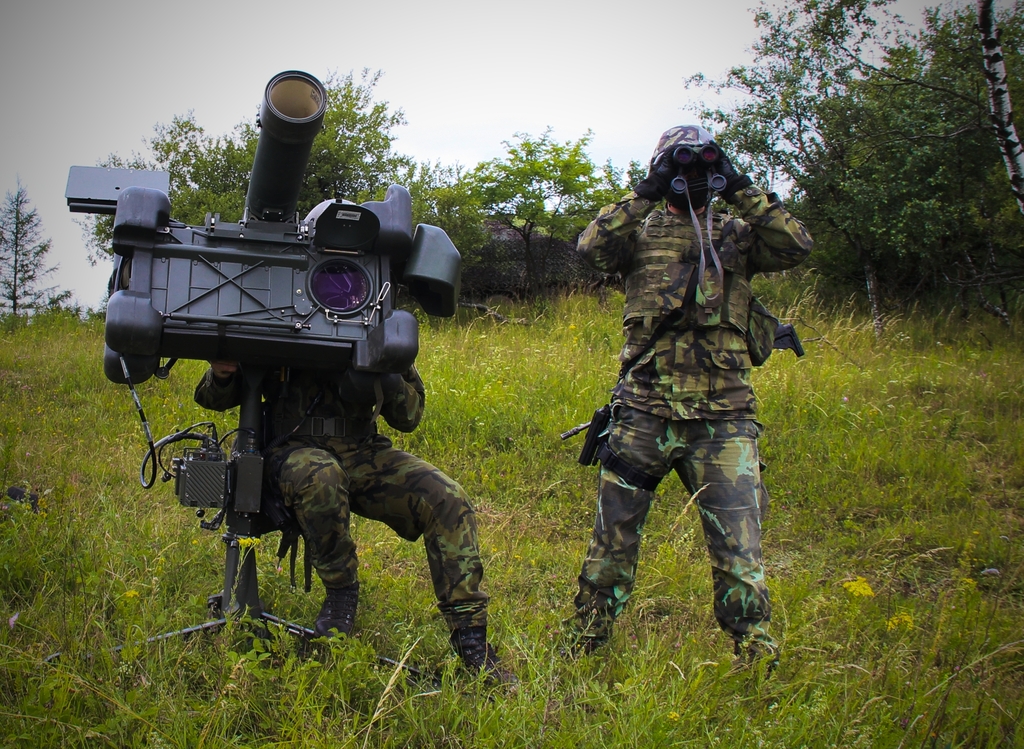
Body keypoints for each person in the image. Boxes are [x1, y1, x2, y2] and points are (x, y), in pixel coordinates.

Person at [567, 125, 813, 667]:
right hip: (643, 412)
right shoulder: (642, 230)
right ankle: (584, 647)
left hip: (724, 417)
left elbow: (796, 244)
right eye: (680, 167)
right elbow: (590, 247)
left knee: (739, 553)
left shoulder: (738, 234)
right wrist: (647, 191)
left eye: (701, 166)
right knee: (611, 548)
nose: (691, 177)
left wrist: (741, 186)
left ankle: (756, 656)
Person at [194, 359, 513, 683]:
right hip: (292, 449)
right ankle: (341, 591)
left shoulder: (370, 315)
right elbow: (213, 399)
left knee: (446, 498)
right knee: (322, 478)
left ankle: (470, 639)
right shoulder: (284, 312)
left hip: (362, 449)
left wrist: (388, 377)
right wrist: (222, 372)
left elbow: (410, 415)